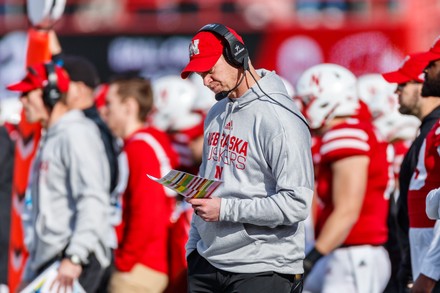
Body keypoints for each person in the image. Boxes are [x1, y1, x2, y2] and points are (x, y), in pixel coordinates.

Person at [180, 23, 314, 293]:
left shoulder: (279, 118)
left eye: (209, 69)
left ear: (236, 54)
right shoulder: (216, 111)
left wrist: (225, 209)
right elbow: (210, 185)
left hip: (262, 268)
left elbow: (297, 203)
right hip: (208, 263)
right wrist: (194, 248)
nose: (205, 80)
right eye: (199, 73)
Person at [7, 61, 112, 292]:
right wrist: (31, 271)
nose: (22, 101)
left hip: (74, 261)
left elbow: (93, 199)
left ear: (51, 94)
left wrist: (75, 257)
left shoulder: (76, 133)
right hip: (53, 262)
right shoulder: (53, 136)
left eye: (27, 93)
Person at [296, 63, 392, 293]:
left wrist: (311, 258)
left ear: (325, 100)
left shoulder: (345, 132)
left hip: (353, 253)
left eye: (307, 101)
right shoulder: (355, 128)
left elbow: (347, 210)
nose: (304, 108)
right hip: (343, 251)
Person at [105, 76, 179, 293]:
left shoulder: (139, 149)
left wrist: (124, 261)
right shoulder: (149, 142)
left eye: (110, 103)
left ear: (129, 107)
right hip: (147, 265)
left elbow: (148, 211)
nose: (104, 110)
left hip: (138, 269)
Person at [382, 51, 440, 293]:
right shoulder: (428, 130)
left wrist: (427, 274)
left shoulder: (433, 131)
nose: (396, 91)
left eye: (402, 84)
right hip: (421, 261)